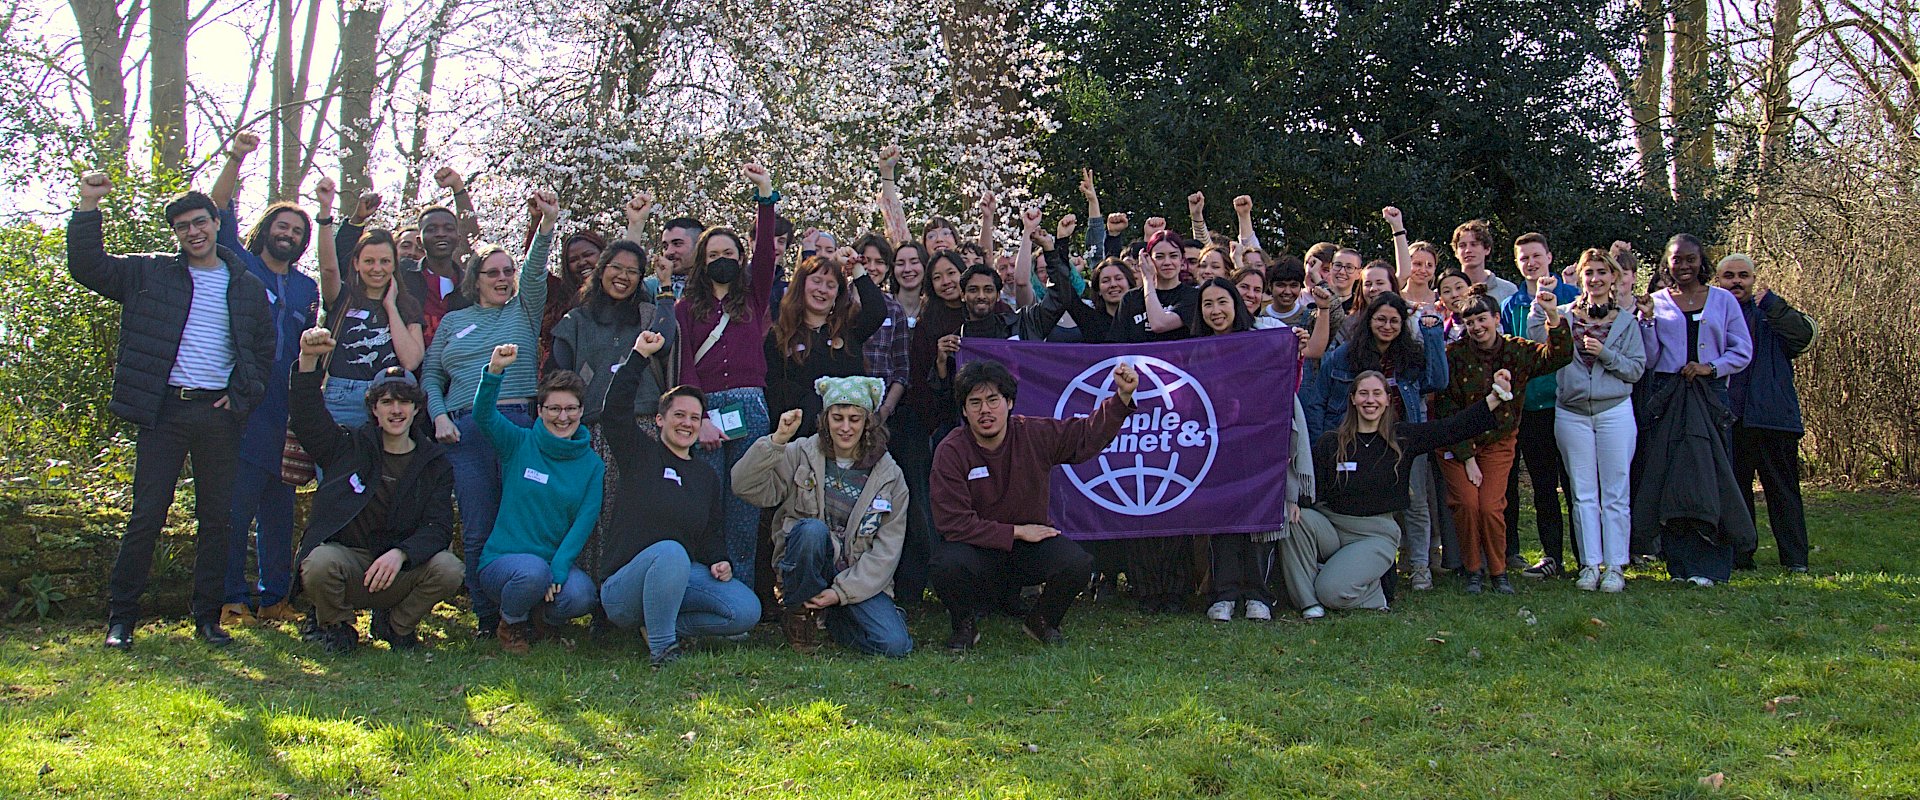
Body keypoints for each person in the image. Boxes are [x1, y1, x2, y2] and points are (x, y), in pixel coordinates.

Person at [68, 172, 275, 649]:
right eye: (183, 227)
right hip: (163, 412)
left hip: (218, 417)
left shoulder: (244, 284)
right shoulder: (149, 273)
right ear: (176, 234)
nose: (193, 232)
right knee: (146, 516)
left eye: (200, 222)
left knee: (217, 520)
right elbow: (88, 266)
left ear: (216, 223)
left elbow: (264, 349)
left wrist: (242, 396)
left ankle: (207, 617)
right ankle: (121, 620)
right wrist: (88, 204)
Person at [420, 190, 558, 636]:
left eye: (507, 271)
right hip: (466, 429)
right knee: (478, 525)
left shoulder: (524, 309)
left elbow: (536, 269)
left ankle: (524, 612)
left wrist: (547, 223)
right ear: (475, 279)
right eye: (491, 272)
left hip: (518, 425)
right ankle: (486, 615)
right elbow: (429, 377)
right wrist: (439, 414)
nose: (502, 278)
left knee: (522, 520)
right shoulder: (454, 323)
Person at [930, 359, 1137, 650]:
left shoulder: (1034, 433)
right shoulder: (951, 451)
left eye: (993, 400)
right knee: (945, 564)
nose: (985, 410)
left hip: (1028, 549)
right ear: (964, 410)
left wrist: (1122, 398)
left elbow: (1085, 435)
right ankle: (963, 626)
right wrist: (1016, 531)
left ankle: (1042, 621)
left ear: (1010, 402)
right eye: (974, 403)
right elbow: (952, 523)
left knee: (1077, 563)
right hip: (977, 549)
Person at [1281, 370, 1513, 618]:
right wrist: (1296, 502)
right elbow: (1311, 484)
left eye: (1377, 393)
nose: (1370, 400)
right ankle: (1309, 603)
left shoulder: (1402, 438)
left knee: (1332, 592)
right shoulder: (1331, 442)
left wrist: (1495, 398)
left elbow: (1452, 428)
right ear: (1353, 400)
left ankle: (1370, 592)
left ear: (1388, 400)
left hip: (1374, 534)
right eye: (1363, 394)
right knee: (1296, 519)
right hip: (1332, 526)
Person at [206, 132, 322, 628]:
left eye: (298, 230)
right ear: (266, 228)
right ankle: (231, 598)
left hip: (288, 406)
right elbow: (217, 210)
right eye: (282, 224)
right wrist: (236, 157)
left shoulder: (306, 287)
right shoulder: (240, 263)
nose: (289, 234)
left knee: (279, 505)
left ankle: (275, 597)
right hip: (244, 401)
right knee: (237, 504)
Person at [288, 329, 463, 653]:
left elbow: (438, 529)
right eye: (387, 402)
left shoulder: (434, 462)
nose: (396, 410)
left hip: (400, 569)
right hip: (349, 564)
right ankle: (337, 626)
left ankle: (396, 626)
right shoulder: (347, 447)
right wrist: (309, 360)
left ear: (416, 409)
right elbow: (307, 417)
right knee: (318, 562)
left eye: (404, 402)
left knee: (449, 568)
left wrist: (402, 554)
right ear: (374, 409)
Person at [596, 333, 758, 666]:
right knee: (671, 551)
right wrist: (639, 354)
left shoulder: (705, 476)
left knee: (745, 610)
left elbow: (710, 534)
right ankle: (663, 649)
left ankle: (666, 625)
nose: (686, 423)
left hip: (677, 583)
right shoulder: (639, 454)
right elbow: (614, 412)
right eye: (679, 415)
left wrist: (718, 559)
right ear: (660, 420)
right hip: (623, 591)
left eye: (694, 418)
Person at [735, 377, 913, 656]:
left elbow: (886, 552)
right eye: (837, 417)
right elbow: (744, 486)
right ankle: (798, 614)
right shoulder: (800, 452)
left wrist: (840, 593)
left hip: (855, 572)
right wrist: (777, 441)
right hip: (807, 565)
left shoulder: (890, 475)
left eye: (854, 419)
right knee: (810, 531)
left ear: (868, 422)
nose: (845, 427)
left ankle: (834, 617)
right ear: (825, 419)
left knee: (895, 646)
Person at [674, 163, 782, 589]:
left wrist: (764, 194)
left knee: (744, 501)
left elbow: (767, 253)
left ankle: (741, 593)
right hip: (702, 412)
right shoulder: (685, 308)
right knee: (706, 500)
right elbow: (683, 365)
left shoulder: (753, 296)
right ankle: (703, 585)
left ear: (740, 260)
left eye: (729, 254)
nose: (722, 260)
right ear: (702, 261)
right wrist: (697, 417)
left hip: (749, 408)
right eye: (713, 255)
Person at [547, 238, 677, 580]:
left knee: (642, 508)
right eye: (616, 268)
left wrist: (665, 288)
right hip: (594, 429)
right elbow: (557, 374)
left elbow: (667, 337)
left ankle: (638, 590)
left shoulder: (647, 315)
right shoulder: (576, 319)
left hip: (644, 422)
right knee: (599, 511)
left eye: (633, 271)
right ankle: (597, 592)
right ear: (602, 270)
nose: (623, 276)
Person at [1632, 234, 1756, 585]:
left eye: (1690, 259)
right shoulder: (1655, 301)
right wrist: (1648, 323)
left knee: (1711, 475)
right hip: (1668, 397)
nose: (1683, 266)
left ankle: (1713, 564)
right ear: (1666, 264)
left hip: (1710, 396)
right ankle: (1679, 564)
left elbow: (1742, 350)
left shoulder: (1722, 301)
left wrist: (1710, 367)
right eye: (1676, 260)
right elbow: (1651, 359)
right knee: (1669, 477)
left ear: (1702, 262)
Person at [1432, 286, 1573, 595]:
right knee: (1467, 504)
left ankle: (1498, 572)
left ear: (1497, 318)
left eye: (1483, 319)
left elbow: (1559, 356)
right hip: (1458, 441)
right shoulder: (1454, 355)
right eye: (1470, 323)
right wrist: (1467, 457)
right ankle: (1472, 570)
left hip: (1498, 440)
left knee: (1490, 506)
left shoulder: (1517, 350)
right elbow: (1444, 408)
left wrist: (1552, 314)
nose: (1477, 328)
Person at [1305, 293, 1448, 589]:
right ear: (1368, 321)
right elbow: (1318, 399)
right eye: (1380, 319)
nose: (1387, 326)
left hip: (1401, 439)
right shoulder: (1344, 355)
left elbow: (1438, 381)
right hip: (1354, 439)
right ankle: (1361, 563)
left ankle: (1420, 565)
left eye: (1394, 321)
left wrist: (1433, 333)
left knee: (1416, 501)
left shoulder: (1410, 356)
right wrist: (1320, 443)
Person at [471, 343, 604, 652]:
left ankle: (546, 622)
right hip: (504, 565)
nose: (563, 416)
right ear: (540, 410)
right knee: (532, 572)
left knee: (582, 594)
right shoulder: (519, 443)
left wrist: (560, 567)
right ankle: (512, 623)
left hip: (551, 564)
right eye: (554, 408)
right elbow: (484, 416)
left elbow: (583, 523)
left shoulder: (592, 465)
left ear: (581, 412)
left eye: (571, 408)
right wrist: (494, 372)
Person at [1542, 249, 1646, 592]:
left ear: (1613, 277)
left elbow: (1635, 368)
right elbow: (1535, 334)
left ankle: (1615, 566)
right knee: (1582, 493)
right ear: (1581, 277)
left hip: (1613, 410)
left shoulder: (1627, 321)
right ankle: (1589, 565)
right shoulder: (1566, 316)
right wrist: (1543, 301)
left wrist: (1606, 355)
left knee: (1615, 492)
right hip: (1571, 412)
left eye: (1603, 272)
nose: (1596, 279)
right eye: (1589, 273)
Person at [1716, 254, 1815, 573]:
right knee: (1736, 494)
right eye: (1729, 276)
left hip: (1774, 420)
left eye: (1743, 275)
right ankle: (1741, 556)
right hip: (1732, 418)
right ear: (1719, 280)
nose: (1736, 282)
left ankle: (1796, 559)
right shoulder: (1714, 315)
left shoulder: (1771, 313)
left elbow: (1804, 336)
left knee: (1783, 493)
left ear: (1754, 279)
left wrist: (1774, 304)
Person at [1191, 279, 1279, 621]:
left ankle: (1259, 594)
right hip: (1215, 447)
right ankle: (1224, 593)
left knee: (1258, 519)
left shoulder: (1260, 342)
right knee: (1223, 518)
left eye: (1222, 302)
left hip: (1258, 444)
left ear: (1236, 305)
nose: (1216, 311)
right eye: (1207, 304)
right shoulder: (1196, 349)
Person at [1504, 233, 1583, 578]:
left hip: (1567, 404)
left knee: (1577, 484)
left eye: (1536, 255)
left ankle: (1587, 557)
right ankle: (1552, 556)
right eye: (1524, 258)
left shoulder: (1572, 298)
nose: (1531, 263)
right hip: (1530, 406)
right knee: (1542, 485)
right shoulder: (1512, 304)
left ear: (1549, 257)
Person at [315, 181, 425, 427]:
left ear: (394, 264)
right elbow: (328, 268)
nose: (377, 269)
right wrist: (325, 213)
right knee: (341, 465)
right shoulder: (342, 297)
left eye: (385, 261)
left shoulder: (408, 305)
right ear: (356, 264)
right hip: (342, 397)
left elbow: (411, 361)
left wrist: (391, 307)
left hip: (390, 399)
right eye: (369, 261)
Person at [335, 167, 484, 341]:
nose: (440, 234)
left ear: (457, 239)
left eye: (448, 229)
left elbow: (471, 237)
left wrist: (458, 188)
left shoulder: (468, 284)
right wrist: (357, 221)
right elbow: (346, 264)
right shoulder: (401, 274)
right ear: (421, 240)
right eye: (432, 229)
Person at [764, 254, 889, 439]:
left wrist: (856, 269)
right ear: (801, 285)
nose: (822, 290)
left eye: (831, 285)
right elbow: (773, 388)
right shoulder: (780, 335)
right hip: (802, 440)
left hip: (850, 436)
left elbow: (877, 311)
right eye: (816, 281)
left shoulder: (849, 329)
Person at [1451, 219, 1519, 303]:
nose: (1468, 250)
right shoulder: (1446, 292)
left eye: (1474, 244)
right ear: (1456, 253)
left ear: (1487, 249)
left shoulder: (1508, 290)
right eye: (1462, 246)